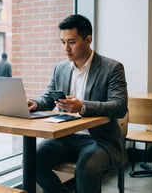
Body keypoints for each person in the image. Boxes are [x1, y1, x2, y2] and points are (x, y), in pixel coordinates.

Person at [27, 14, 128, 193]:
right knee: (31, 160)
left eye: (71, 42)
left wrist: (82, 107)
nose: (66, 48)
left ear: (88, 40)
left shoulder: (112, 68)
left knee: (87, 168)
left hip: (99, 139)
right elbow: (48, 99)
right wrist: (35, 104)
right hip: (65, 137)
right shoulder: (60, 68)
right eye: (63, 42)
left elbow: (119, 106)